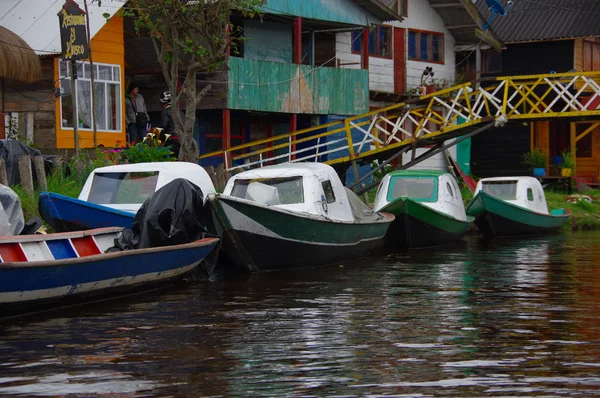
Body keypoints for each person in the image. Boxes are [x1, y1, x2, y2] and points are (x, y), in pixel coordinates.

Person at [159, 90, 183, 158]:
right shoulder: (180, 112)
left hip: (171, 140)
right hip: (181, 139)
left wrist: (160, 137)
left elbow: (163, 126)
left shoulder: (166, 112)